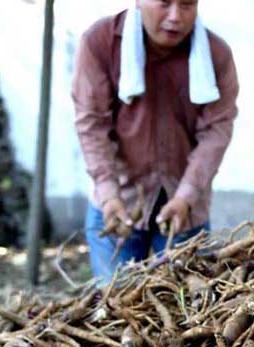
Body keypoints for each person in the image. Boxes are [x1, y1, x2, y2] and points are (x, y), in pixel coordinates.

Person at [72, 0, 239, 282]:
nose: (175, 17)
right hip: (116, 206)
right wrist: (108, 191)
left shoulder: (216, 55)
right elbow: (92, 124)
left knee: (186, 308)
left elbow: (216, 132)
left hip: (185, 210)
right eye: (164, 3)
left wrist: (186, 195)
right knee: (116, 305)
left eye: (187, 5)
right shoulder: (99, 43)